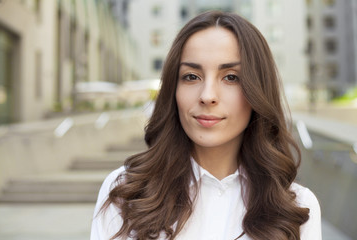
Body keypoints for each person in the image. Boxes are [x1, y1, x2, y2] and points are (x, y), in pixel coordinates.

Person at [91, 11, 321, 240]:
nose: (207, 96)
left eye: (231, 77)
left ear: (257, 91)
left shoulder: (296, 207)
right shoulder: (125, 192)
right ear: (173, 89)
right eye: (191, 76)